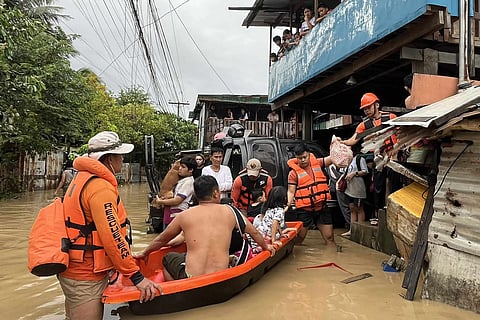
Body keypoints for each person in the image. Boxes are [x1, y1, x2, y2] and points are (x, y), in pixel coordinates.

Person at [58, 131, 160, 320]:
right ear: (109, 159)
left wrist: (116, 262)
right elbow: (112, 237)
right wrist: (136, 277)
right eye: (120, 155)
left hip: (75, 268)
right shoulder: (100, 188)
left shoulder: (80, 179)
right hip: (85, 275)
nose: (122, 159)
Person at [136, 175, 275, 280]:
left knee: (168, 258)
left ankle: (176, 288)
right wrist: (266, 247)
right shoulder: (231, 211)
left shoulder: (184, 215)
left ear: (196, 195)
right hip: (221, 274)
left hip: (191, 277)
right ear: (216, 193)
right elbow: (255, 233)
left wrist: (145, 252)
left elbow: (161, 240)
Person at [341, 93, 397, 216]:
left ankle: (393, 211)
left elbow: (400, 135)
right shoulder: (364, 125)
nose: (366, 110)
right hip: (378, 159)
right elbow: (353, 140)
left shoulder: (391, 117)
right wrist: (341, 142)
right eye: (364, 109)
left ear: (377, 105)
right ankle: (378, 213)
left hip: (394, 157)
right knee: (378, 186)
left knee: (394, 184)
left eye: (368, 107)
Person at [286, 143, 335, 245]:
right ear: (296, 158)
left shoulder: (318, 163)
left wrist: (340, 146)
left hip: (321, 207)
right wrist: (288, 204)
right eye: (300, 158)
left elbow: (332, 158)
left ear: (309, 154)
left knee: (329, 238)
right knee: (299, 239)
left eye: (304, 157)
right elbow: (291, 191)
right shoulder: (293, 173)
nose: (303, 160)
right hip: (305, 210)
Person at [152, 157, 195, 228]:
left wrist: (160, 202)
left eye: (183, 167)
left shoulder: (188, 182)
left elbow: (177, 201)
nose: (180, 168)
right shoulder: (182, 181)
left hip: (176, 215)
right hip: (171, 214)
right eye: (180, 166)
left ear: (191, 170)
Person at [342, 146, 368, 236]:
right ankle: (352, 230)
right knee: (352, 209)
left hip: (358, 189)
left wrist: (354, 173)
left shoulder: (360, 159)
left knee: (359, 209)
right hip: (349, 189)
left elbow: (365, 171)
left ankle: (360, 231)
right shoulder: (349, 160)